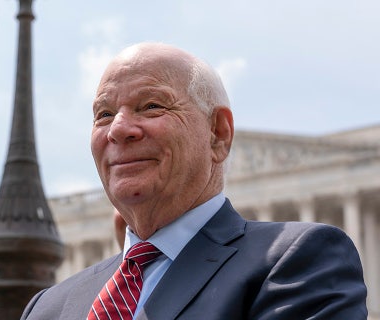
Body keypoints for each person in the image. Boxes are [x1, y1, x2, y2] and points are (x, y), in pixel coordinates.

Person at [20, 42, 368, 320]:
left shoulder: (299, 262)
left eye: (152, 105)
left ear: (218, 134)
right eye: (104, 114)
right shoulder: (47, 308)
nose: (118, 130)